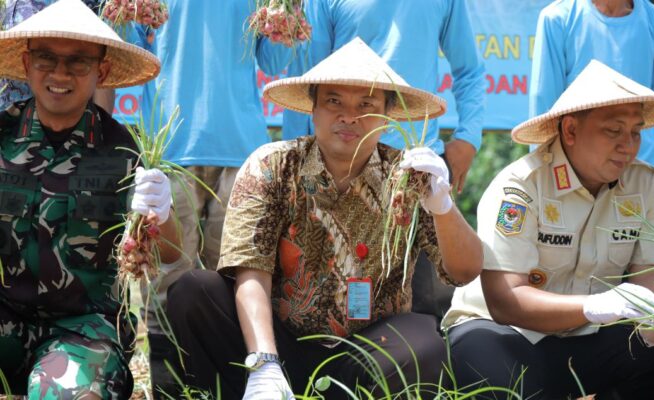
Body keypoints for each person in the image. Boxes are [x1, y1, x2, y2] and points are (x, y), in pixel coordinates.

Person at [166, 38, 483, 399]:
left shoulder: (409, 176)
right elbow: (251, 270)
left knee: (423, 341)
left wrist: (443, 207)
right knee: (194, 292)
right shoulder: (273, 166)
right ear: (313, 108)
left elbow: (465, 271)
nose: (349, 116)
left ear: (387, 116)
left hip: (365, 351)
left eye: (366, 105)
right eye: (334, 101)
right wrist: (264, 361)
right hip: (276, 342)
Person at [442, 60, 654, 399]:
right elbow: (506, 302)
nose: (628, 145)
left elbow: (650, 287)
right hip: (502, 330)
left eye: (636, 132)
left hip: (589, 337)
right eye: (613, 130)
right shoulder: (521, 187)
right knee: (496, 372)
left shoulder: (643, 183)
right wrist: (594, 305)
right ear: (571, 130)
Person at [0, 0, 179, 397]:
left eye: (78, 62)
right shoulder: (2, 135)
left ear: (102, 71)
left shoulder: (124, 151)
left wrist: (161, 213)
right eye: (47, 58)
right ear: (27, 64)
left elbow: (168, 251)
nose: (60, 73)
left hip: (84, 330)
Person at [282, 0, 486, 317]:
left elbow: (469, 69)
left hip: (413, 166)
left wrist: (468, 137)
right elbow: (309, 73)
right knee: (321, 290)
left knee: (421, 303)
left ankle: (410, 362)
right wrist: (296, 154)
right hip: (340, 164)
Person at [133, 1, 292, 395]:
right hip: (171, 148)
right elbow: (130, 48)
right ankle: (171, 390)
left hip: (242, 151)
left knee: (240, 283)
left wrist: (285, 13)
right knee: (165, 284)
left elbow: (275, 60)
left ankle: (243, 386)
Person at [530, 0, 654, 215]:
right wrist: (542, 186)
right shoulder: (558, 19)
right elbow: (545, 113)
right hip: (578, 183)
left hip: (648, 178)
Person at [0, 0, 115, 112]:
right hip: (8, 113)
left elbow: (107, 53)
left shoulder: (96, 5)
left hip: (72, 118)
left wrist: (101, 127)